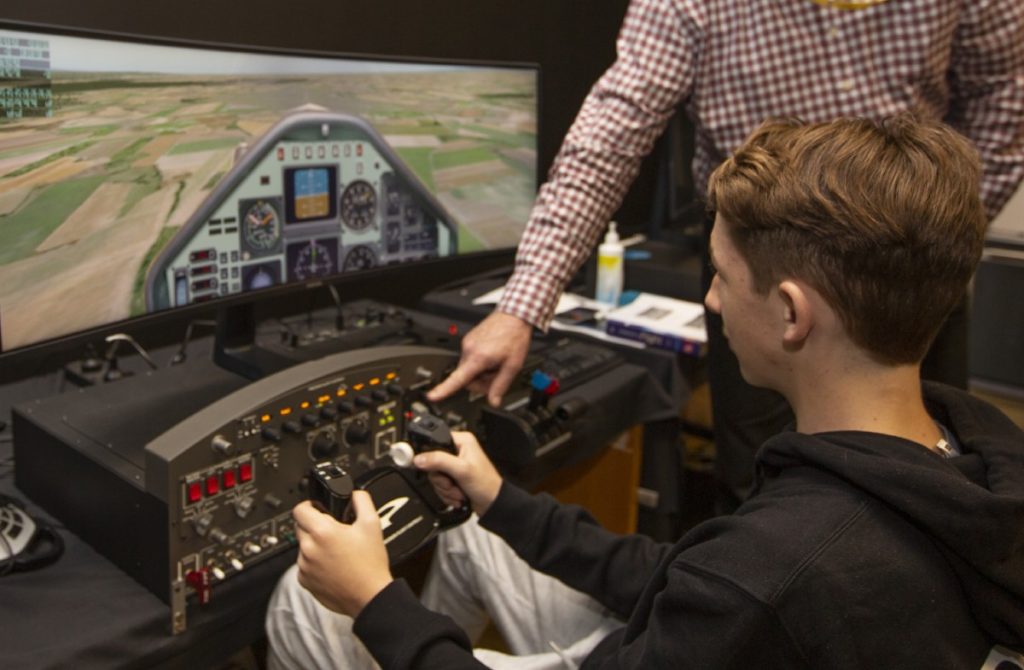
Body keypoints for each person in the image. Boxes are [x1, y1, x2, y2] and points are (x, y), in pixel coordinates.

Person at [266, 114, 1024, 669]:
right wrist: (500, 497)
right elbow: (686, 579)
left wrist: (375, 601)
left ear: (792, 313)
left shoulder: (776, 569)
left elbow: (733, 586)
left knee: (304, 602)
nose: (714, 303)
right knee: (466, 533)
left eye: (721, 277)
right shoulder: (970, 446)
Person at [425, 0, 1024, 512]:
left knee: (937, 468)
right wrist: (524, 303)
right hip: (758, 265)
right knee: (762, 482)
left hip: (911, 261)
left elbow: (1004, 97)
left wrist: (939, 230)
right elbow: (607, 141)